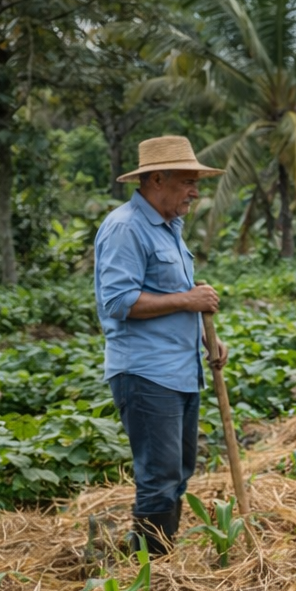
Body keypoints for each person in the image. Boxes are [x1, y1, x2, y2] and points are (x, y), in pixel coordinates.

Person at [94, 136, 228, 554]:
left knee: (179, 470)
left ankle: (159, 554)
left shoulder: (170, 227)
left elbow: (177, 296)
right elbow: (118, 300)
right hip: (146, 371)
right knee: (159, 474)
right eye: (188, 182)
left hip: (181, 370)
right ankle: (149, 568)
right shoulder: (125, 227)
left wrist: (210, 337)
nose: (195, 192)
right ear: (156, 179)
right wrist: (189, 299)